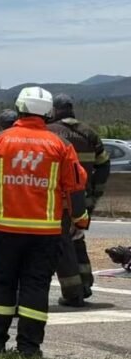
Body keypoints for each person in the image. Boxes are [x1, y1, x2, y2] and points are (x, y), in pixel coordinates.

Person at [0, 86, 89, 358]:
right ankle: (29, 348)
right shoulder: (61, 145)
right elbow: (75, 186)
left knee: (1, 285)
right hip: (44, 235)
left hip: (6, 231)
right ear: (47, 112)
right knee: (36, 288)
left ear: (20, 108)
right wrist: (80, 221)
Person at [47, 93, 111, 307]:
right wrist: (93, 195)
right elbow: (104, 165)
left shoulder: (50, 133)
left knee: (62, 242)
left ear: (54, 110)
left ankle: (73, 293)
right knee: (76, 239)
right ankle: (85, 285)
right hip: (82, 198)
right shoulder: (89, 133)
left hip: (59, 199)